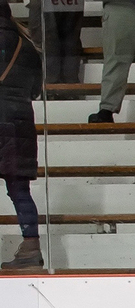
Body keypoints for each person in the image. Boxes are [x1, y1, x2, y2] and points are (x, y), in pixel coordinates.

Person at [0, 11, 42, 272]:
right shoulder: (26, 44)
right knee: (20, 191)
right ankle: (31, 248)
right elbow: (35, 90)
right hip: (20, 123)